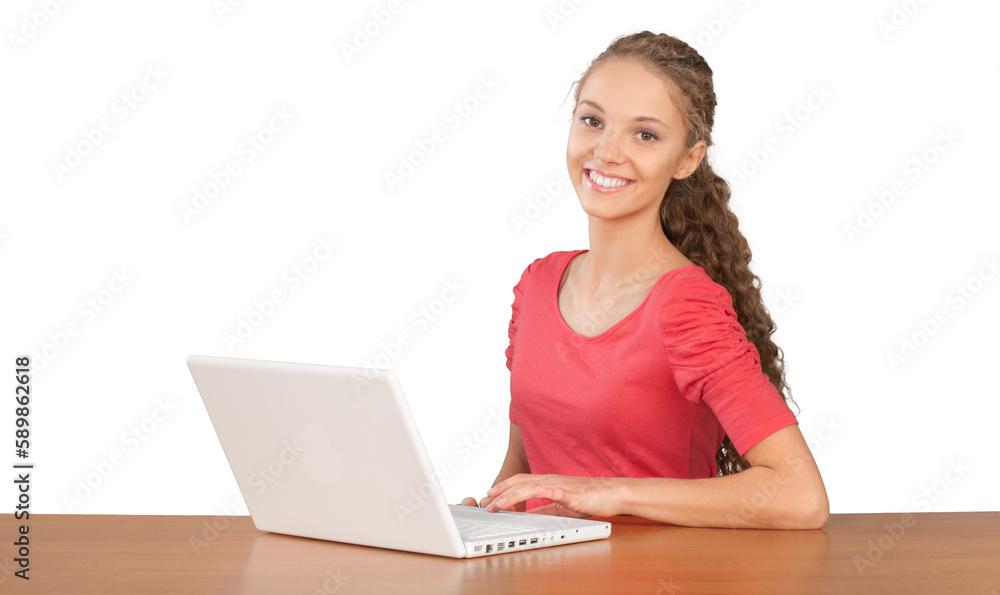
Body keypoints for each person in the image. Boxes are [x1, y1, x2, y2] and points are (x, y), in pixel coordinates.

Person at [460, 31, 829, 530]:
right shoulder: (538, 283)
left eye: (645, 134)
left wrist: (610, 494)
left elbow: (800, 495)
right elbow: (524, 471)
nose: (607, 151)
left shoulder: (686, 305)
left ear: (688, 159)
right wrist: (477, 522)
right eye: (592, 121)